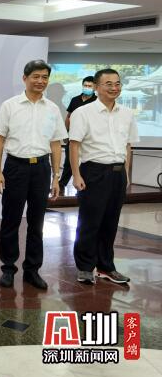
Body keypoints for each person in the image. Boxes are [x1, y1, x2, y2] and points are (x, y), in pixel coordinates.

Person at [0, 59, 66, 290]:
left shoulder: (52, 109)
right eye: (36, 77)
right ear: (25, 78)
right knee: (11, 219)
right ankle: (8, 269)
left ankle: (32, 270)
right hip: (16, 167)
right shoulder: (10, 106)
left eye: (45, 77)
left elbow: (56, 144)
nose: (40, 81)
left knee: (37, 222)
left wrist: (56, 176)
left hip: (41, 169)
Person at [69, 69, 138, 285]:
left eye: (117, 83)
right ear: (97, 87)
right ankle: (85, 267)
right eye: (108, 84)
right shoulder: (83, 112)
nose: (114, 88)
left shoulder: (127, 113)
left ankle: (106, 267)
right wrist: (76, 174)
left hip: (117, 173)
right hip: (93, 172)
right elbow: (74, 145)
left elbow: (128, 146)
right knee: (89, 222)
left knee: (111, 222)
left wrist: (126, 173)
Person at [59, 76, 96, 189]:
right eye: (85, 85)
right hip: (73, 135)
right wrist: (65, 132)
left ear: (95, 87)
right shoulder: (75, 100)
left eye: (90, 86)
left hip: (89, 137)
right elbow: (68, 116)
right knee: (68, 162)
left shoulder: (97, 101)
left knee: (88, 162)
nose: (87, 87)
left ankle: (86, 184)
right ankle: (62, 184)